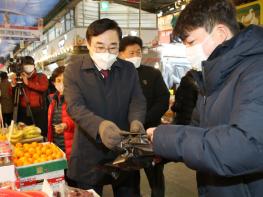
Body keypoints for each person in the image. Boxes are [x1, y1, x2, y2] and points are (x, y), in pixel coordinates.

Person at [147, 0, 263, 197]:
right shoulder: (212, 78)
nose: (188, 52)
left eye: (191, 43)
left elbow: (247, 146)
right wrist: (164, 148)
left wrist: (168, 138)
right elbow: (203, 134)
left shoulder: (256, 71)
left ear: (220, 33)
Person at [63, 18, 146, 196]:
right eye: (100, 47)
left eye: (113, 47)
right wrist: (100, 126)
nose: (106, 53)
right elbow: (75, 106)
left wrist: (137, 122)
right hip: (88, 151)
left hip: (124, 150)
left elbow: (137, 100)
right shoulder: (74, 70)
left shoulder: (128, 69)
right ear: (88, 44)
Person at [119, 36, 170, 197]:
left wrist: (143, 119)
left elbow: (163, 99)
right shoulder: (117, 76)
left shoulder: (152, 73)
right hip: (126, 135)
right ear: (120, 54)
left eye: (138, 52)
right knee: (129, 176)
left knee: (155, 175)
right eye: (131, 52)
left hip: (150, 133)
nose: (135, 55)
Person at [47, 66, 75, 186]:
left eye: (65, 80)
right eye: (58, 80)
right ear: (53, 83)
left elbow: (81, 119)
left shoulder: (75, 98)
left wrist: (66, 125)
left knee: (74, 181)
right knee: (62, 182)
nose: (62, 83)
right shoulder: (53, 100)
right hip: (58, 148)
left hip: (73, 148)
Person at [10, 56, 48, 135]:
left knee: (39, 133)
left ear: (33, 66)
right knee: (25, 134)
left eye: (30, 64)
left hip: (38, 111)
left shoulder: (41, 76)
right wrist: (13, 85)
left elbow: (44, 88)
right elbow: (14, 96)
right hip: (23, 111)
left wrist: (28, 83)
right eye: (25, 65)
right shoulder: (20, 78)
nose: (28, 67)